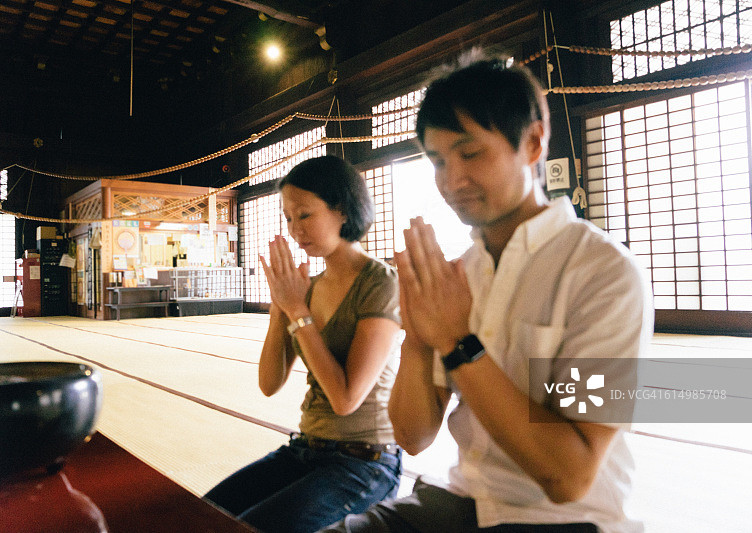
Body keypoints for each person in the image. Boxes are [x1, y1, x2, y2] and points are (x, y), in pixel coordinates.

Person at [322, 53, 653, 532]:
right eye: (437, 161)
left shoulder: (602, 273)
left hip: (565, 521)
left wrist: (459, 344)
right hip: (462, 501)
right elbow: (413, 437)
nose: (452, 181)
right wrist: (418, 336)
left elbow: (569, 477)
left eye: (470, 153)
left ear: (534, 142)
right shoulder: (462, 274)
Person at [203, 155, 403, 533]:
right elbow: (269, 383)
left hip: (366, 462)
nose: (295, 230)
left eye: (305, 215)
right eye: (288, 218)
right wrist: (281, 308)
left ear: (342, 210)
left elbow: (346, 399)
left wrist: (297, 311)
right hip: (305, 450)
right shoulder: (307, 288)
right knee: (203, 514)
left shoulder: (381, 283)